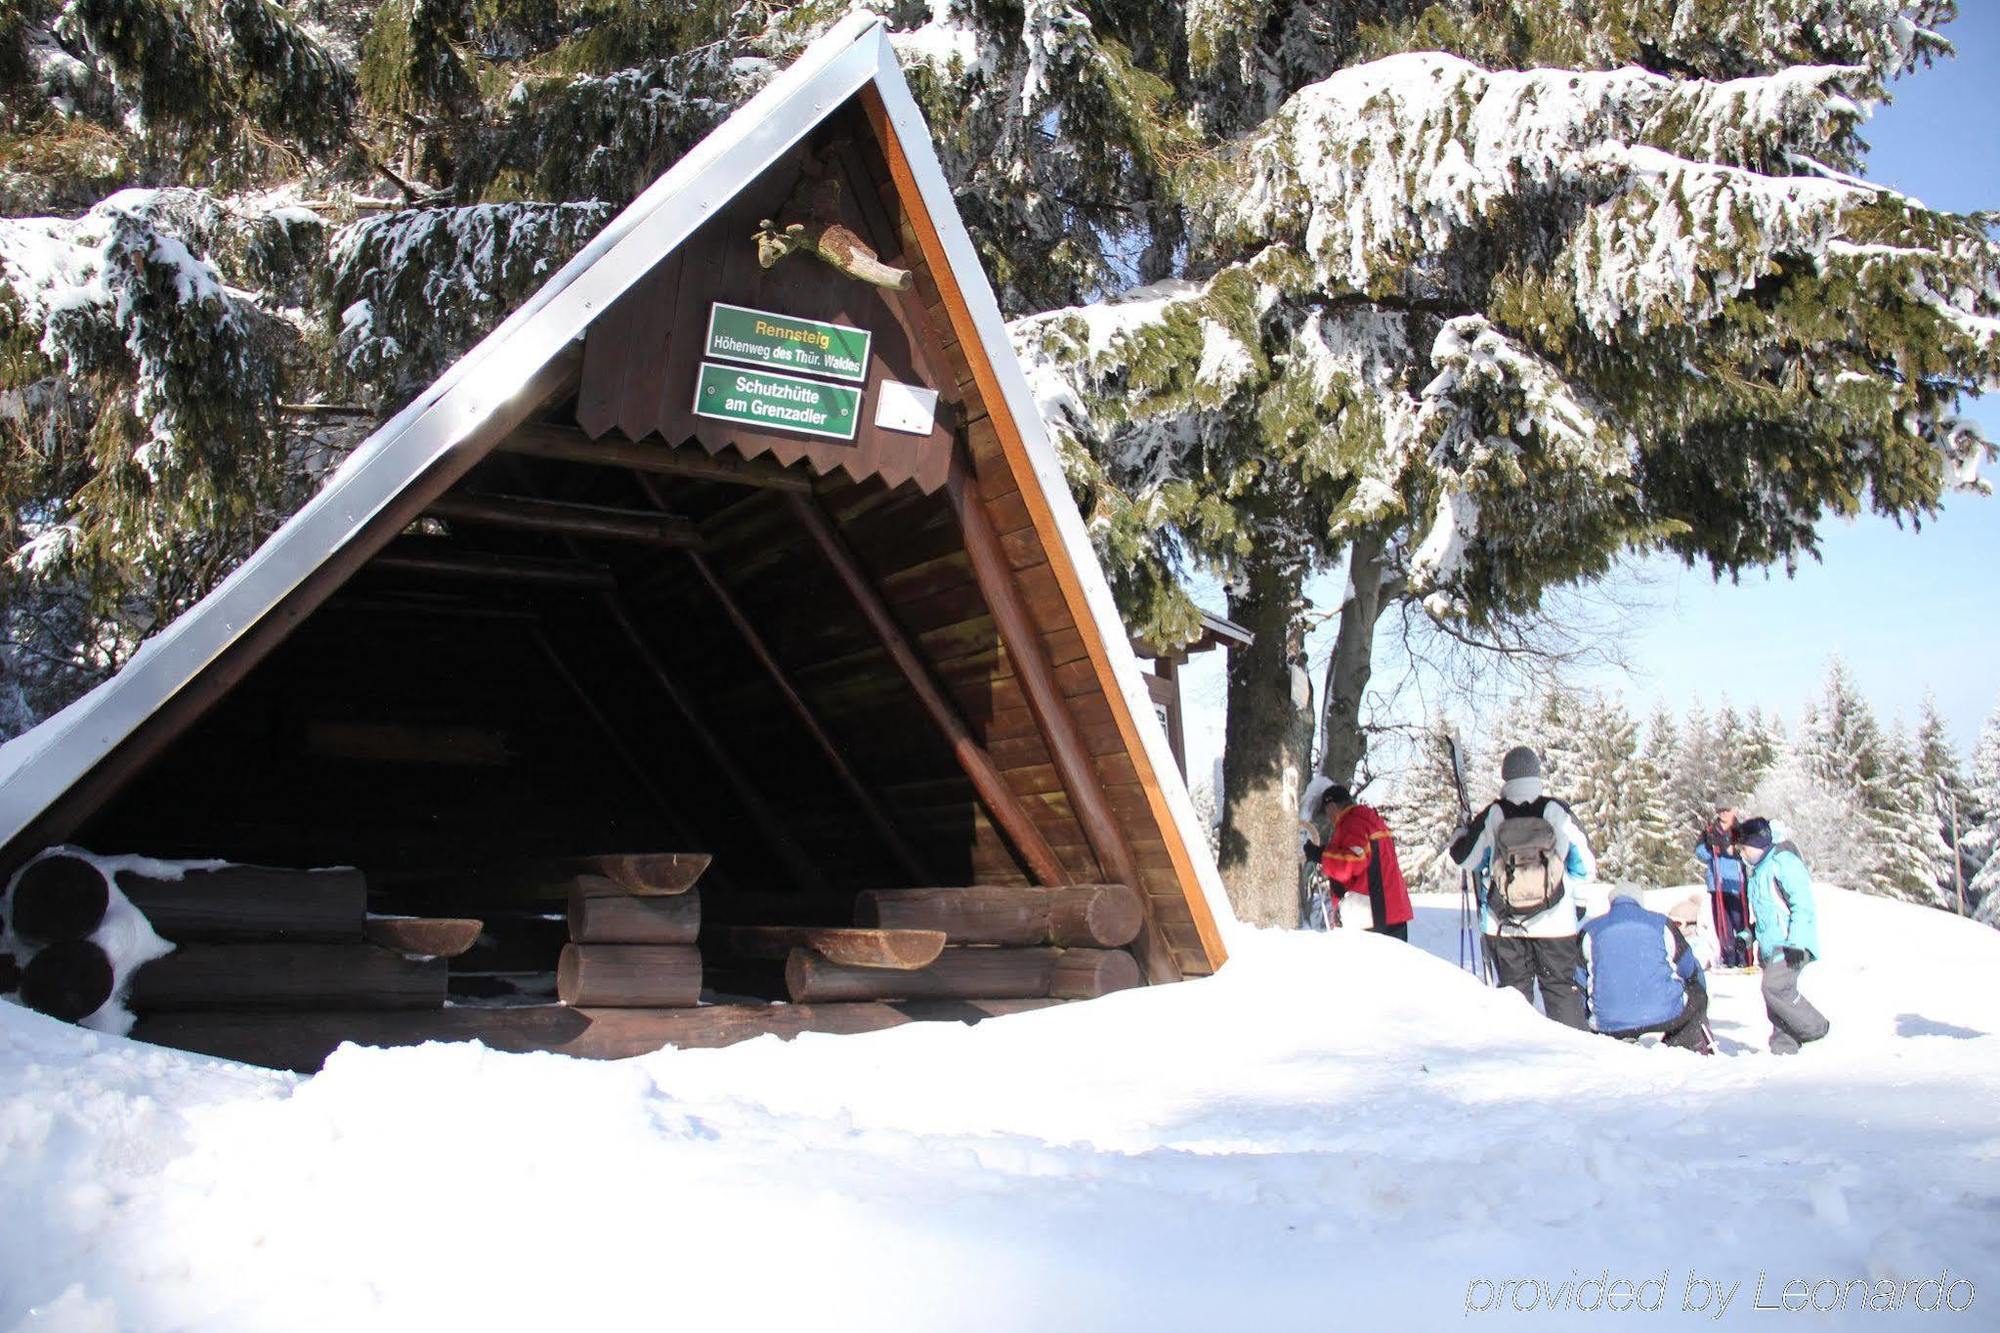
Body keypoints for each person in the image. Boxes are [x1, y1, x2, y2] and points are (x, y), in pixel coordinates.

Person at [1448, 747, 1597, 1029]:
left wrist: (1460, 833)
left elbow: (1467, 859)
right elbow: (1587, 867)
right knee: (1561, 991)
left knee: (1514, 997)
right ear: (1537, 774)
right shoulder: (1557, 812)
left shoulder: (1493, 814)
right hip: (1556, 923)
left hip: (1503, 923)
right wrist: (1563, 893)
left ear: (1506, 776)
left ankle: (1518, 1058)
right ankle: (1574, 1057)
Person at [1737, 817, 1829, 1055]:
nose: (1742, 853)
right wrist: (1750, 935)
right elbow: (1769, 917)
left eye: (1744, 847)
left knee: (1774, 987)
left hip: (1794, 944)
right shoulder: (1758, 873)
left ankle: (1815, 1027)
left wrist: (1796, 944)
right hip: (1772, 946)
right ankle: (1784, 1047)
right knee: (1775, 1000)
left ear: (1757, 844)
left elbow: (1802, 904)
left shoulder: (1782, 862)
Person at [1579, 889, 1711, 1052]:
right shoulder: (1660, 923)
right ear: (1639, 902)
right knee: (1697, 994)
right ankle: (1683, 1045)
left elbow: (1578, 981)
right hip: (1665, 1017)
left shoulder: (1590, 930)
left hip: (1607, 1022)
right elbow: (1689, 969)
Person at [1303, 785, 1414, 940]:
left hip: (1372, 916)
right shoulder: (1370, 820)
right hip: (1392, 913)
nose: (1328, 818)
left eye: (1326, 812)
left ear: (1332, 806)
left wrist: (1320, 855)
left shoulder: (1352, 823)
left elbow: (1351, 862)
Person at [1695, 801, 1754, 967]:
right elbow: (1700, 852)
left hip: (1736, 884)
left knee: (1741, 924)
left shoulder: (1739, 829)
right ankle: (1729, 959)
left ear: (1734, 810)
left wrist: (1727, 848)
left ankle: (1745, 958)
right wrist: (1712, 849)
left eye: (1726, 810)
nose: (1723, 814)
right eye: (1720, 811)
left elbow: (1743, 851)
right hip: (1717, 885)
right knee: (1723, 926)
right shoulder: (1710, 830)